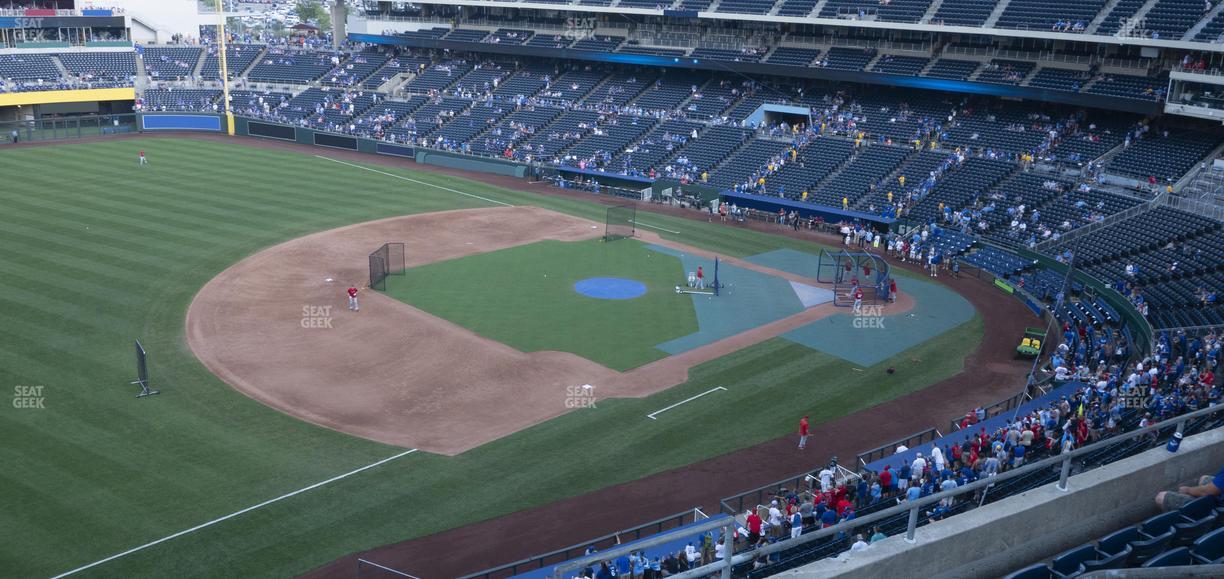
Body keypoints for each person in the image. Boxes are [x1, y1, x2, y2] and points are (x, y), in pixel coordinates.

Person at [1156, 465, 1224, 511]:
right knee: (1204, 479)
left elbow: (1207, 492)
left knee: (1161, 497)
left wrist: (1187, 490)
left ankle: (1182, 522)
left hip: (1218, 507)